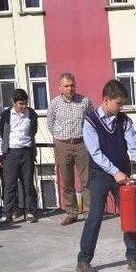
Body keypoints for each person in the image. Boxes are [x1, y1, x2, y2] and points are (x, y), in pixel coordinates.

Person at [76, 79, 136, 272]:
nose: (121, 107)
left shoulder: (125, 122)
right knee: (95, 217)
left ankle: (133, 258)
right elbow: (95, 153)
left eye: (122, 104)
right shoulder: (90, 122)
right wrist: (115, 172)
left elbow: (134, 148)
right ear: (106, 100)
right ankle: (84, 260)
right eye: (118, 103)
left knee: (129, 216)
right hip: (100, 175)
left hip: (123, 175)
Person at [47, 73, 93, 226]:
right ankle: (72, 213)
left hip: (81, 144)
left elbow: (91, 121)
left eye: (72, 85)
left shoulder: (84, 101)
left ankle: (89, 212)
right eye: (66, 86)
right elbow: (50, 124)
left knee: (86, 180)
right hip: (63, 145)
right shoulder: (54, 104)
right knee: (67, 181)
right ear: (60, 87)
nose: (70, 88)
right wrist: (61, 137)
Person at [0, 89, 39, 227]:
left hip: (26, 152)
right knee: (9, 184)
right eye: (20, 103)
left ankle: (30, 211)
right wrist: (7, 149)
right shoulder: (6, 114)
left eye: (25, 103)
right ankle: (7, 214)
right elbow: (2, 131)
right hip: (11, 153)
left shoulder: (31, 113)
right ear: (13, 102)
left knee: (28, 183)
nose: (23, 106)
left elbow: (33, 130)